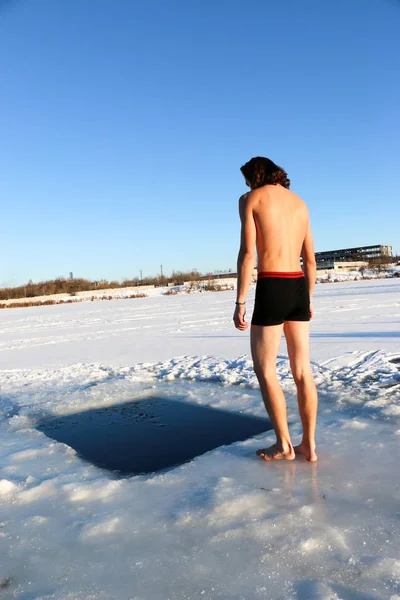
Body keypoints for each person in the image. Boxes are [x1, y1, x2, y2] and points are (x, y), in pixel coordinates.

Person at [233, 157, 318, 462]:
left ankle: (284, 445)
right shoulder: (300, 204)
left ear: (255, 176)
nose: (246, 185)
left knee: (265, 370)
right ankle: (308, 444)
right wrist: (307, 299)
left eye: (247, 179)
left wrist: (240, 301)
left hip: (272, 285)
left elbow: (247, 254)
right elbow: (310, 261)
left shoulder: (252, 199)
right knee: (302, 371)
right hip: (297, 287)